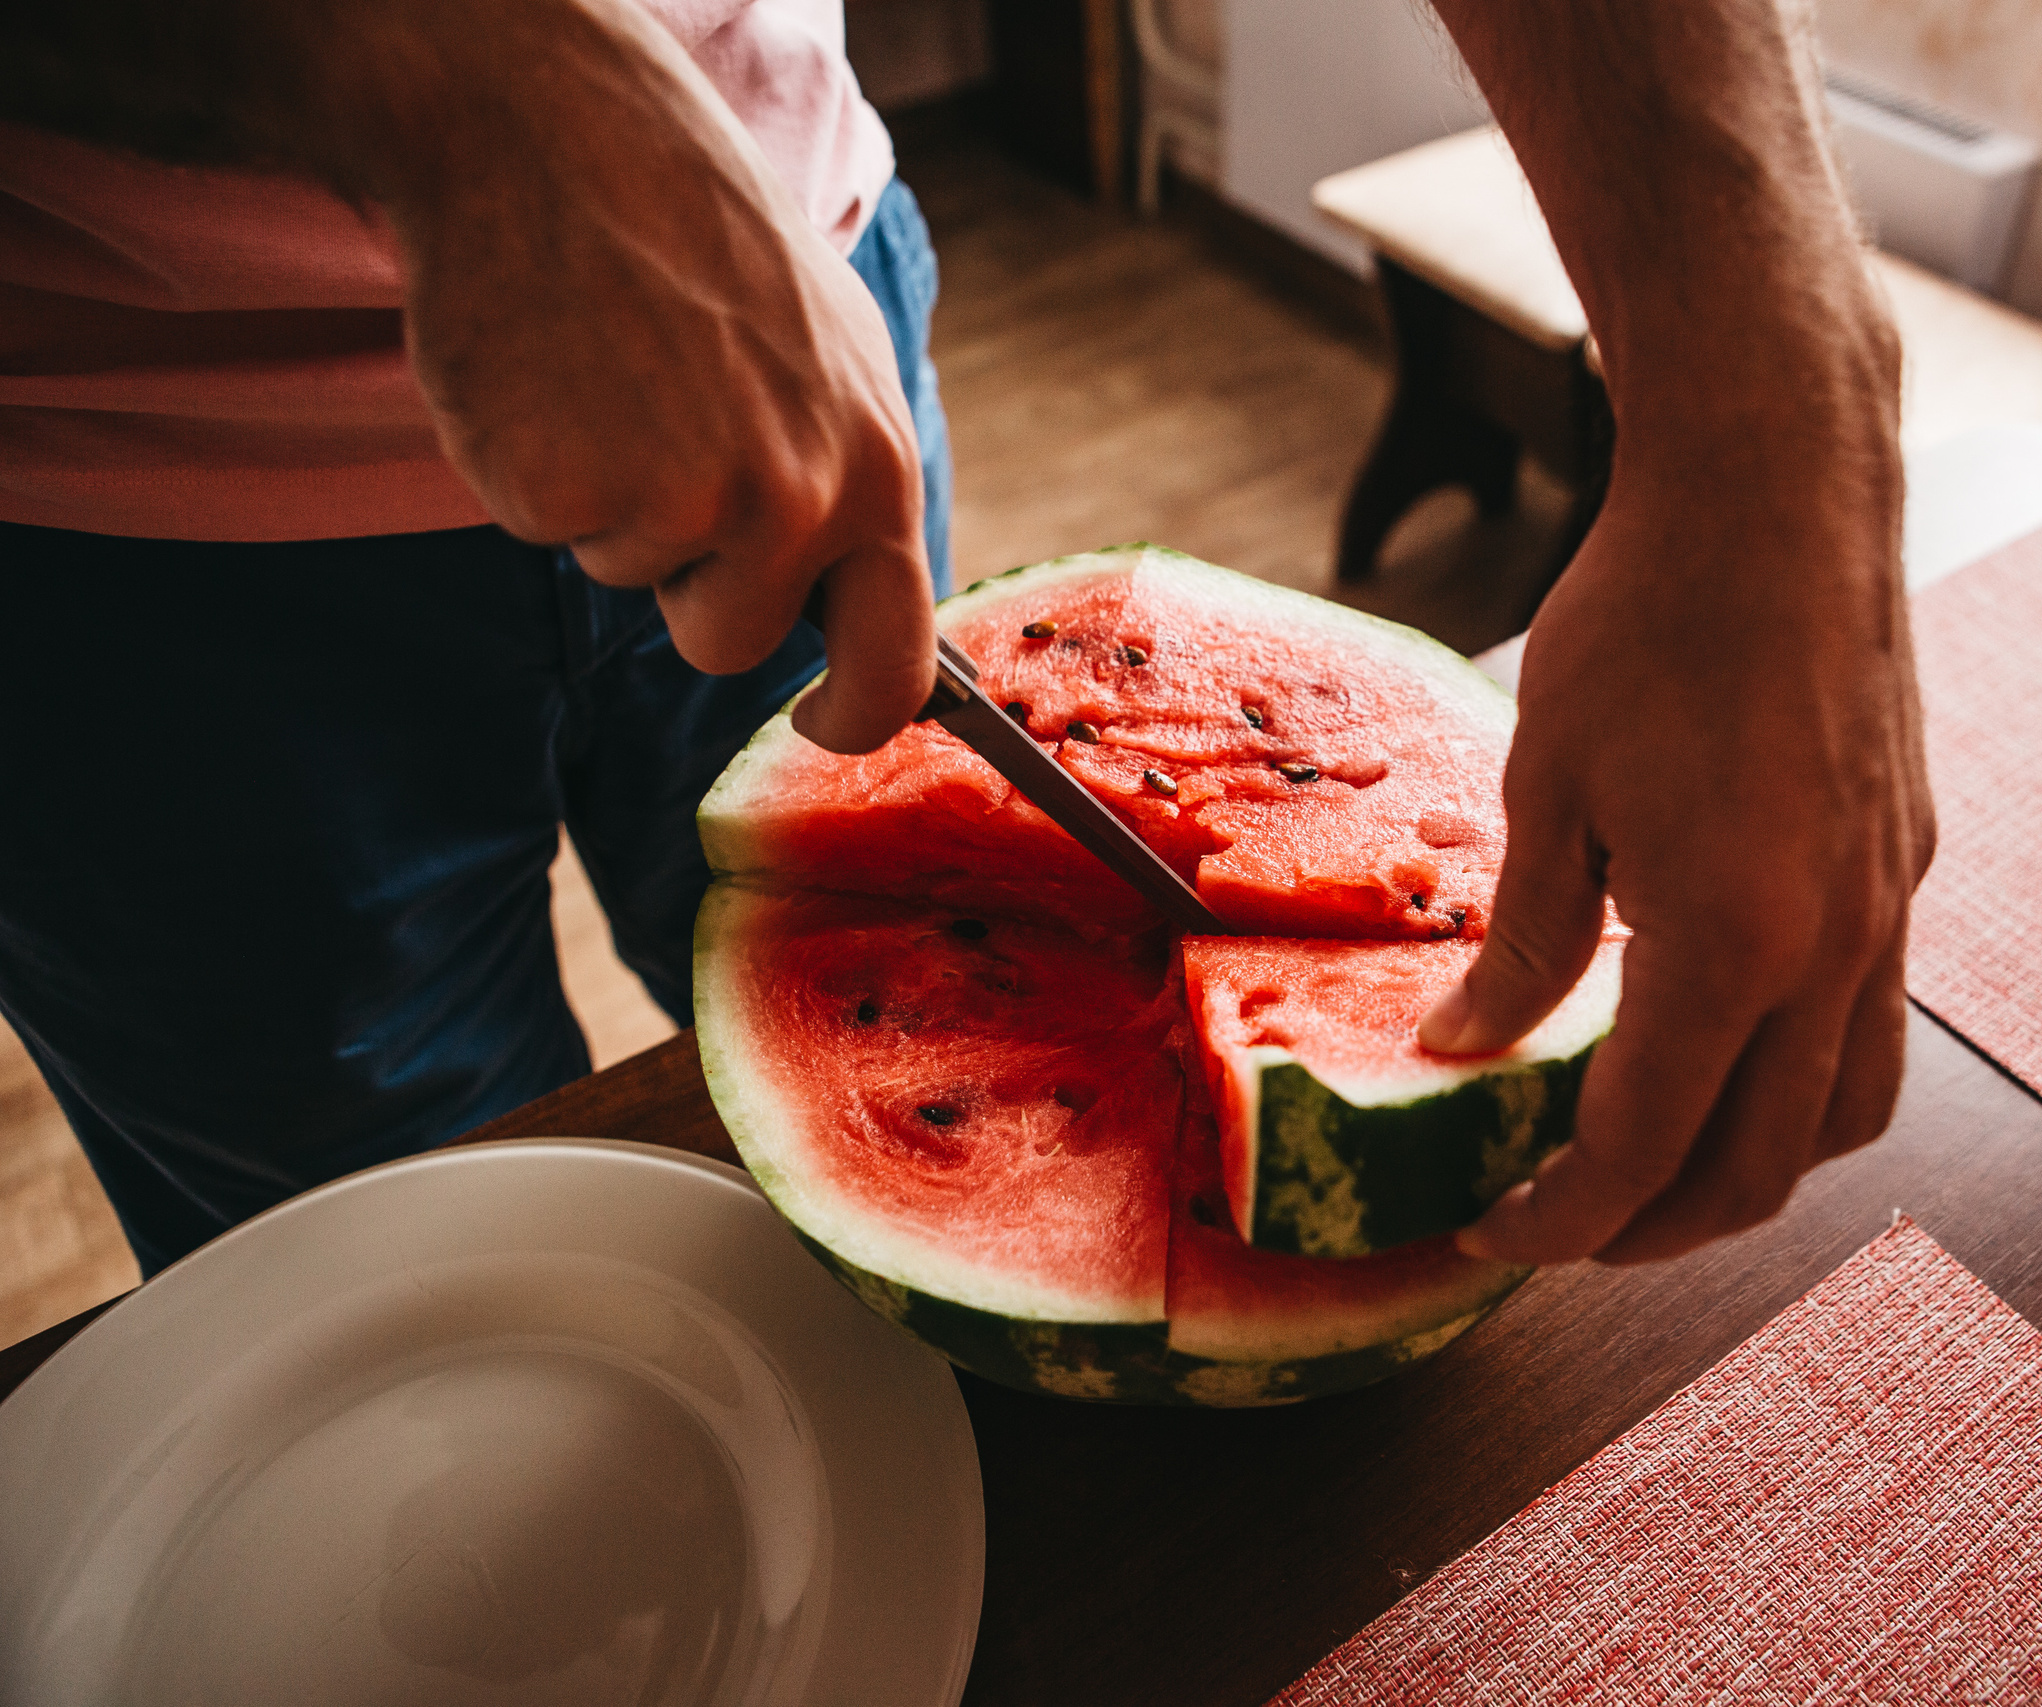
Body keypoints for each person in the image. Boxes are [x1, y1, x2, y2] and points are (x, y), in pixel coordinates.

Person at [0, 0, 1929, 1278]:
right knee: (397, 1301)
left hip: (791, 318)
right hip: (122, 544)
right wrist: (457, 75)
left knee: (913, 1084)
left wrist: (1780, 395)